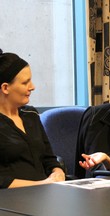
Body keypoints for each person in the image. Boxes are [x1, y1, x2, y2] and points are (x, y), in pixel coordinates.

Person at [0, 49, 65, 189]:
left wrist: (58, 173)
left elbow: (50, 160)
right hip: (11, 202)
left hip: (45, 194)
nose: (33, 87)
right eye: (25, 83)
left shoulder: (31, 115)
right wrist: (40, 184)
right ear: (5, 88)